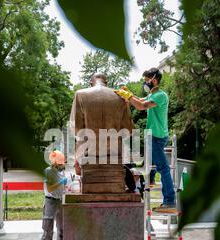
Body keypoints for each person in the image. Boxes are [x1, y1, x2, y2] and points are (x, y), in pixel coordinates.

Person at [114, 68, 175, 210]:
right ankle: (151, 179)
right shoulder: (152, 95)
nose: (145, 83)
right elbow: (139, 100)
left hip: (156, 137)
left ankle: (170, 201)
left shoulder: (160, 95)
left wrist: (128, 96)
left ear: (154, 80)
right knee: (147, 165)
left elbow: (141, 106)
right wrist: (128, 93)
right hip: (153, 137)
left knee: (164, 169)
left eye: (147, 80)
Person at [70, 73, 134, 176]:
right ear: (106, 83)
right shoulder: (120, 95)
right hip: (115, 155)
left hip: (88, 155)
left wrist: (77, 159)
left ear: (91, 83)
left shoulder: (80, 94)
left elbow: (77, 130)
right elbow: (128, 130)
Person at [34, 150, 68, 240]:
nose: (63, 165)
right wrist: (60, 183)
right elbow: (50, 187)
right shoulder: (48, 171)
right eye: (61, 163)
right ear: (55, 163)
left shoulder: (60, 172)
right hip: (50, 203)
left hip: (60, 202)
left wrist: (66, 186)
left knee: (62, 231)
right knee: (48, 234)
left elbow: (62, 187)